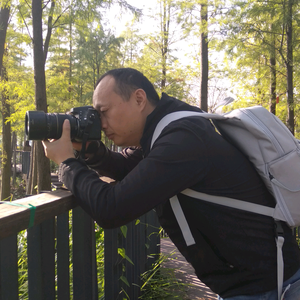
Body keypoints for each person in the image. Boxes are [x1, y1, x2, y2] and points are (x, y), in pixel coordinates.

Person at [42, 68, 300, 299]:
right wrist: (90, 151)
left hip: (267, 287)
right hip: (254, 282)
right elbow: (127, 167)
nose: (100, 122)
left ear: (139, 99)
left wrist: (67, 163)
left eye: (104, 112)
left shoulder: (182, 139)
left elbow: (112, 208)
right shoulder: (169, 128)